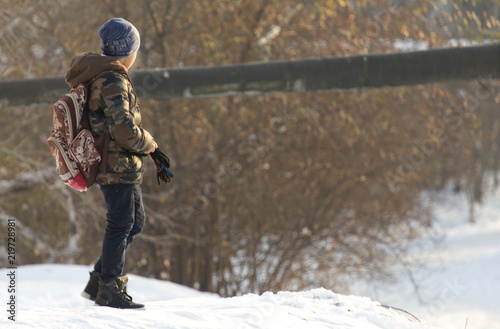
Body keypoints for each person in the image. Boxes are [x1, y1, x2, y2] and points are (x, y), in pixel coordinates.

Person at [65, 18, 157, 309]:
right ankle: (110, 290)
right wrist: (149, 143)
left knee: (134, 222)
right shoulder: (112, 79)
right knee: (120, 223)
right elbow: (123, 128)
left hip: (120, 164)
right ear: (128, 51)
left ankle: (97, 282)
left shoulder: (105, 74)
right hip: (114, 166)